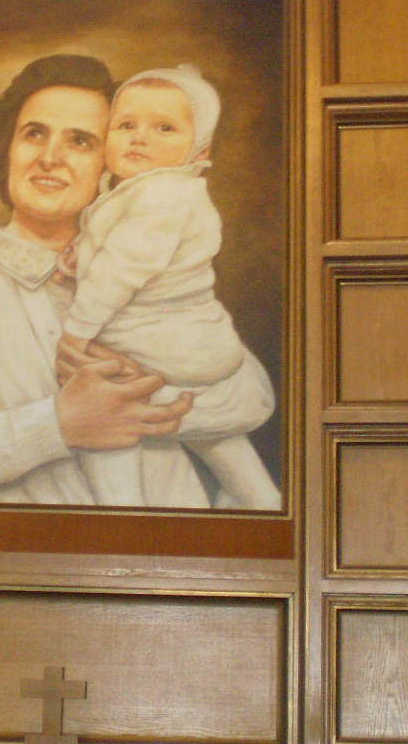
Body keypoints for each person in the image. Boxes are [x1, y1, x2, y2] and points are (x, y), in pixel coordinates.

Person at [0, 54, 277, 507]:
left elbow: (253, 399)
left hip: (179, 546)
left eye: (80, 141)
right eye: (34, 134)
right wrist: (56, 425)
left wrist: (153, 388)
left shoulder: (156, 273)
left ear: (113, 163)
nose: (50, 158)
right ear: (8, 148)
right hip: (26, 548)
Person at [57, 65, 279, 508]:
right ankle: (260, 500)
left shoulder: (163, 196)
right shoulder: (151, 191)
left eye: (164, 128)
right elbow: (114, 242)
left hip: (162, 345)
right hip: (196, 344)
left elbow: (120, 271)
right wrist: (80, 255)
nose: (140, 138)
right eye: (126, 125)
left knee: (111, 412)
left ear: (200, 151)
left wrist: (76, 333)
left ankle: (122, 510)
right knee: (213, 433)